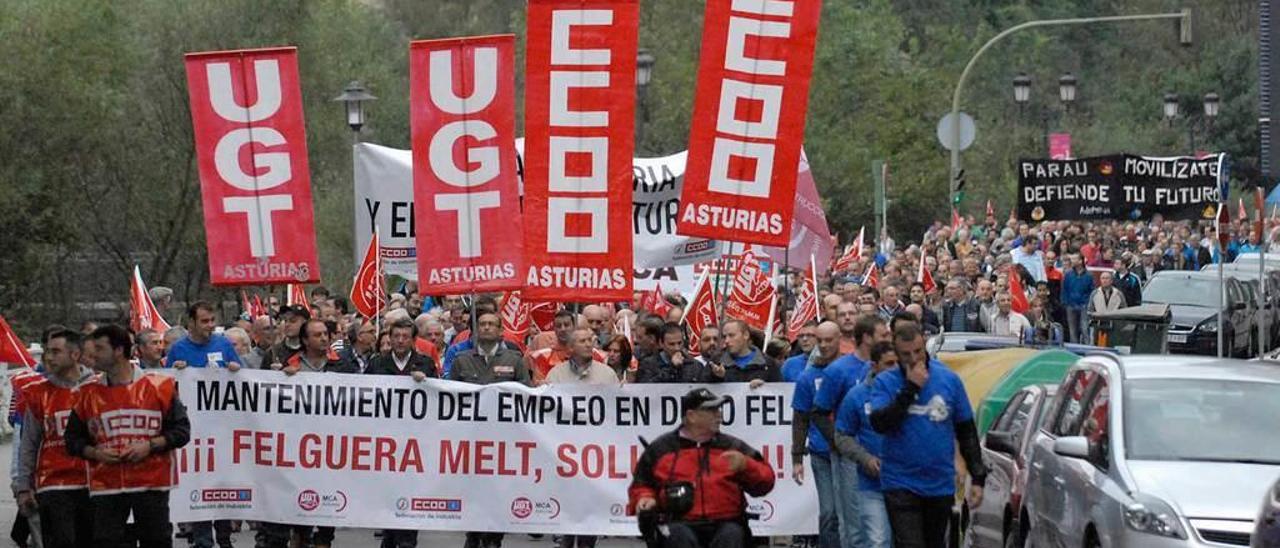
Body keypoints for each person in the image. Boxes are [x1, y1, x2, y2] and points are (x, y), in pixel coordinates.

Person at [64, 324, 191, 548]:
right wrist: (95, 452)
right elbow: (72, 440)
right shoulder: (86, 393)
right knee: (107, 541)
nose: (93, 355)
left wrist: (149, 445)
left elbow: (182, 432)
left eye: (100, 349)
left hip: (151, 483)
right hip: (107, 484)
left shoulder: (159, 386)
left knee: (157, 541)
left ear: (119, 350)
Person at [869, 324, 986, 548]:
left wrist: (977, 476)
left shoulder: (949, 380)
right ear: (896, 352)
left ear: (925, 346)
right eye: (906, 354)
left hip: (939, 483)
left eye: (918, 351)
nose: (914, 359)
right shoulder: (886, 382)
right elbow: (880, 423)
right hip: (900, 482)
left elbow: (966, 430)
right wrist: (910, 389)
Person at [629, 388, 776, 548]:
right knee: (677, 537)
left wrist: (747, 466)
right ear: (691, 416)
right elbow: (641, 484)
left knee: (731, 535)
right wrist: (644, 497)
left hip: (726, 522)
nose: (719, 415)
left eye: (718, 410)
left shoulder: (733, 447)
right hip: (679, 523)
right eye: (711, 410)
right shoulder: (661, 449)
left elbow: (766, 482)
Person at [12, 330, 96, 548]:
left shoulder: (97, 388)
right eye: (47, 351)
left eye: (56, 351)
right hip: (53, 486)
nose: (49, 357)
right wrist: (23, 487)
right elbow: (28, 444)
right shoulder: (38, 393)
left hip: (94, 484)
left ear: (75, 355)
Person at [813, 315, 889, 548]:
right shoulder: (839, 370)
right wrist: (838, 442)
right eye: (883, 335)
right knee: (853, 524)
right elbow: (818, 411)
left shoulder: (890, 368)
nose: (888, 339)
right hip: (849, 457)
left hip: (883, 457)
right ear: (867, 338)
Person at [364, 319, 433, 548]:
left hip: (416, 442)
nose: (400, 341)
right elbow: (361, 396)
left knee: (410, 492)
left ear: (413, 340)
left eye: (405, 337)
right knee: (388, 492)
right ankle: (390, 535)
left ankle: (406, 538)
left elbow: (441, 397)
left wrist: (427, 383)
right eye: (396, 336)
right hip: (384, 440)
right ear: (389, 339)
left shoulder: (425, 363)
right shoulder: (377, 363)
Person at [833, 341, 897, 548]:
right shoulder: (857, 396)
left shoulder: (913, 393)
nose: (895, 368)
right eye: (889, 363)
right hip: (872, 486)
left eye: (899, 362)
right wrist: (865, 459)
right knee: (879, 541)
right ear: (874, 366)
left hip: (909, 484)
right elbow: (842, 436)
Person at [788, 322, 844, 548]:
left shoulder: (851, 370)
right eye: (820, 341)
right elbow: (800, 418)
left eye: (829, 340)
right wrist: (797, 458)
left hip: (850, 453)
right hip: (821, 452)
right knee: (829, 512)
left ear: (840, 339)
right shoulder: (807, 377)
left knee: (847, 511)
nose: (823, 345)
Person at [450, 312, 531, 385]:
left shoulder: (514, 360)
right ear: (476, 330)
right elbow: (451, 390)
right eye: (482, 324)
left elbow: (525, 393)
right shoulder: (461, 360)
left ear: (500, 331)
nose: (486, 327)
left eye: (491, 324)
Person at [165, 301, 242, 371]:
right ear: (192, 322)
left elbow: (243, 376)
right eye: (205, 321)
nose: (211, 325)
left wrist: (237, 369)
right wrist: (174, 370)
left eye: (212, 320)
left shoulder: (224, 344)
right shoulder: (178, 348)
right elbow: (166, 381)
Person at [710, 320, 780, 384]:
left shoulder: (768, 364)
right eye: (724, 337)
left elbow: (781, 391)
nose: (726, 341)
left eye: (731, 335)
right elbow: (702, 390)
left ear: (746, 335)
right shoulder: (716, 362)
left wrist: (764, 388)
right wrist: (717, 377)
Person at [636, 323, 708, 383]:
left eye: (679, 343)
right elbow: (646, 388)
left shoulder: (694, 365)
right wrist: (671, 368)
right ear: (661, 343)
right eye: (671, 344)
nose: (677, 348)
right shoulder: (648, 364)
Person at [545, 328, 618, 385]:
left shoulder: (607, 374)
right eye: (582, 341)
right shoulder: (556, 375)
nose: (588, 345)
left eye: (589, 340)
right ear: (571, 347)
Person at [1061, 255, 1094, 343]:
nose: (1072, 261)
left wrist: (1088, 303)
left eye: (1075, 259)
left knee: (1084, 328)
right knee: (1072, 330)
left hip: (1084, 305)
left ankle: (1087, 347)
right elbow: (1064, 289)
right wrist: (1065, 302)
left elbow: (1091, 291)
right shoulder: (1068, 274)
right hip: (1071, 305)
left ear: (1080, 261)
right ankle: (1074, 350)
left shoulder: (1089, 275)